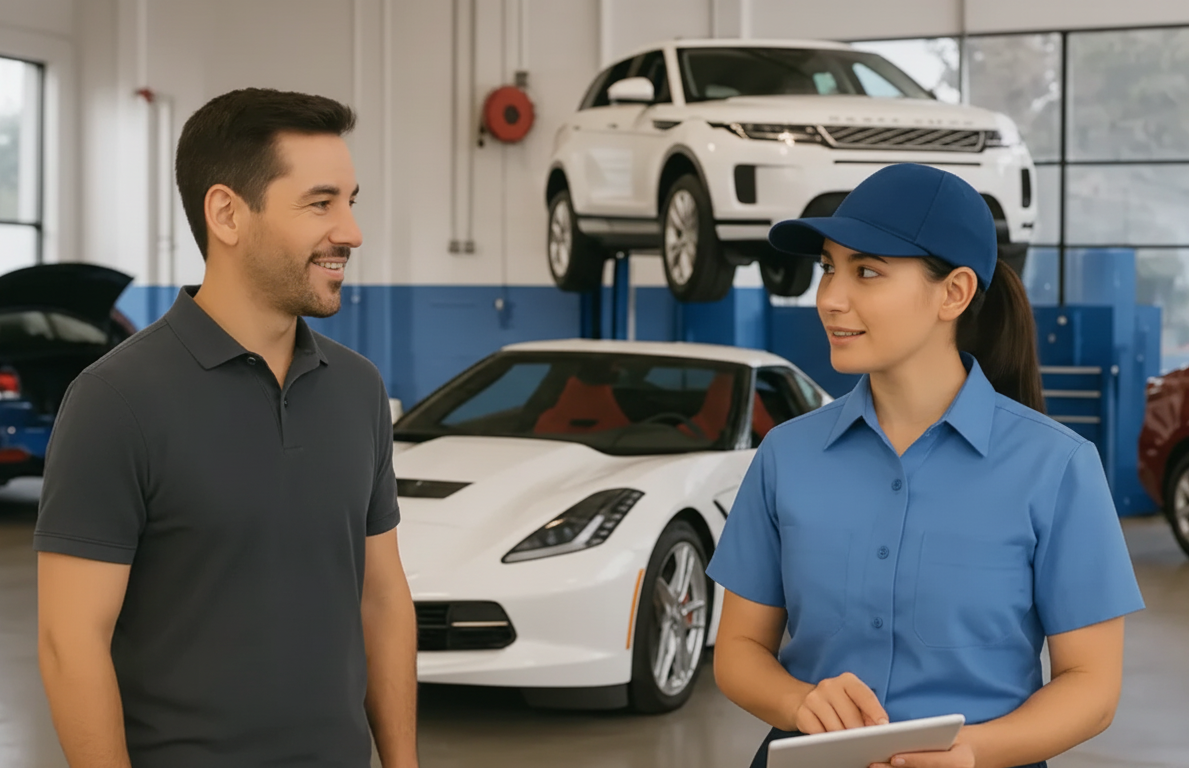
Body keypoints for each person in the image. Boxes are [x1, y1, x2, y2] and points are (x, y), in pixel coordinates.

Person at [707, 163, 1144, 768]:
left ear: (954, 293)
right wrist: (800, 702)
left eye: (867, 272)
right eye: (828, 268)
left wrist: (971, 753)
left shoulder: (1058, 466)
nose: (830, 298)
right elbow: (738, 649)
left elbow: (1091, 686)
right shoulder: (786, 455)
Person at [34, 88, 418, 768]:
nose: (351, 231)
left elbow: (382, 599)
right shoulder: (115, 400)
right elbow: (71, 641)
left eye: (351, 202)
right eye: (320, 202)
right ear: (227, 214)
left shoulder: (358, 389)